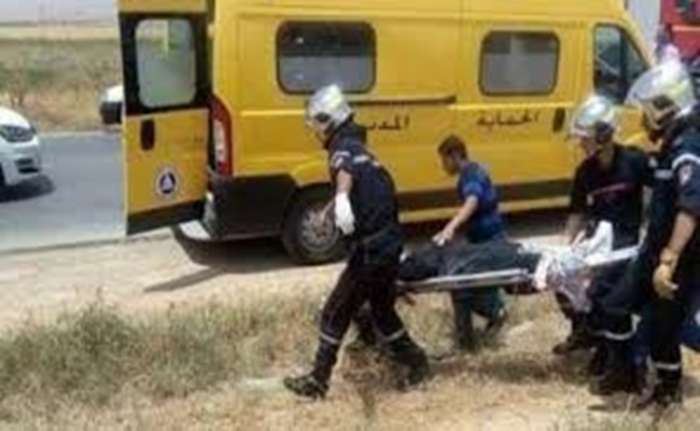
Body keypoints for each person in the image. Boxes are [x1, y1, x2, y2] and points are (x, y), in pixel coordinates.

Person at [284, 85, 429, 399]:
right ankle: (417, 362)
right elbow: (354, 180)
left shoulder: (342, 150)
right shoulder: (364, 151)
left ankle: (318, 381)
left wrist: (340, 197)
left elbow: (345, 172)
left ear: (329, 120)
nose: (315, 132)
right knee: (381, 312)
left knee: (335, 310)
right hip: (388, 246)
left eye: (317, 124)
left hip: (370, 252)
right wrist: (331, 208)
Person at [593, 59, 700, 410]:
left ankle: (668, 392)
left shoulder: (688, 147)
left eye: (648, 110)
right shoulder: (668, 147)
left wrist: (670, 259)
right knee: (614, 304)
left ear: (666, 106)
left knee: (662, 329)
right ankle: (625, 372)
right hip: (652, 250)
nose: (643, 119)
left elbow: (691, 207)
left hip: (680, 258)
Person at [553, 95, 652, 371]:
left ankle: (613, 354)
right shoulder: (585, 172)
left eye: (584, 138)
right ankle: (589, 335)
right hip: (598, 244)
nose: (580, 144)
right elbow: (577, 212)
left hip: (625, 246)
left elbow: (662, 194)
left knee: (601, 293)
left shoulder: (634, 161)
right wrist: (566, 249)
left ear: (604, 135)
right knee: (563, 281)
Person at [433, 136, 508, 351]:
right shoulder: (474, 171)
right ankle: (482, 327)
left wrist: (450, 227)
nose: (443, 166)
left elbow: (472, 201)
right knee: (471, 286)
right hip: (482, 242)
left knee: (463, 290)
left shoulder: (471, 175)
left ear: (455, 155)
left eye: (444, 160)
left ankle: (488, 321)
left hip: (490, 244)